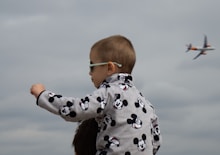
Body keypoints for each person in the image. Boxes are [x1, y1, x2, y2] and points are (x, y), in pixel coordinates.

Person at [30, 35, 162, 155]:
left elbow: (75, 110)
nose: (89, 73)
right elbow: (156, 141)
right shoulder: (146, 104)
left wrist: (42, 95)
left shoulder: (108, 93)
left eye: (91, 66)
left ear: (110, 68)